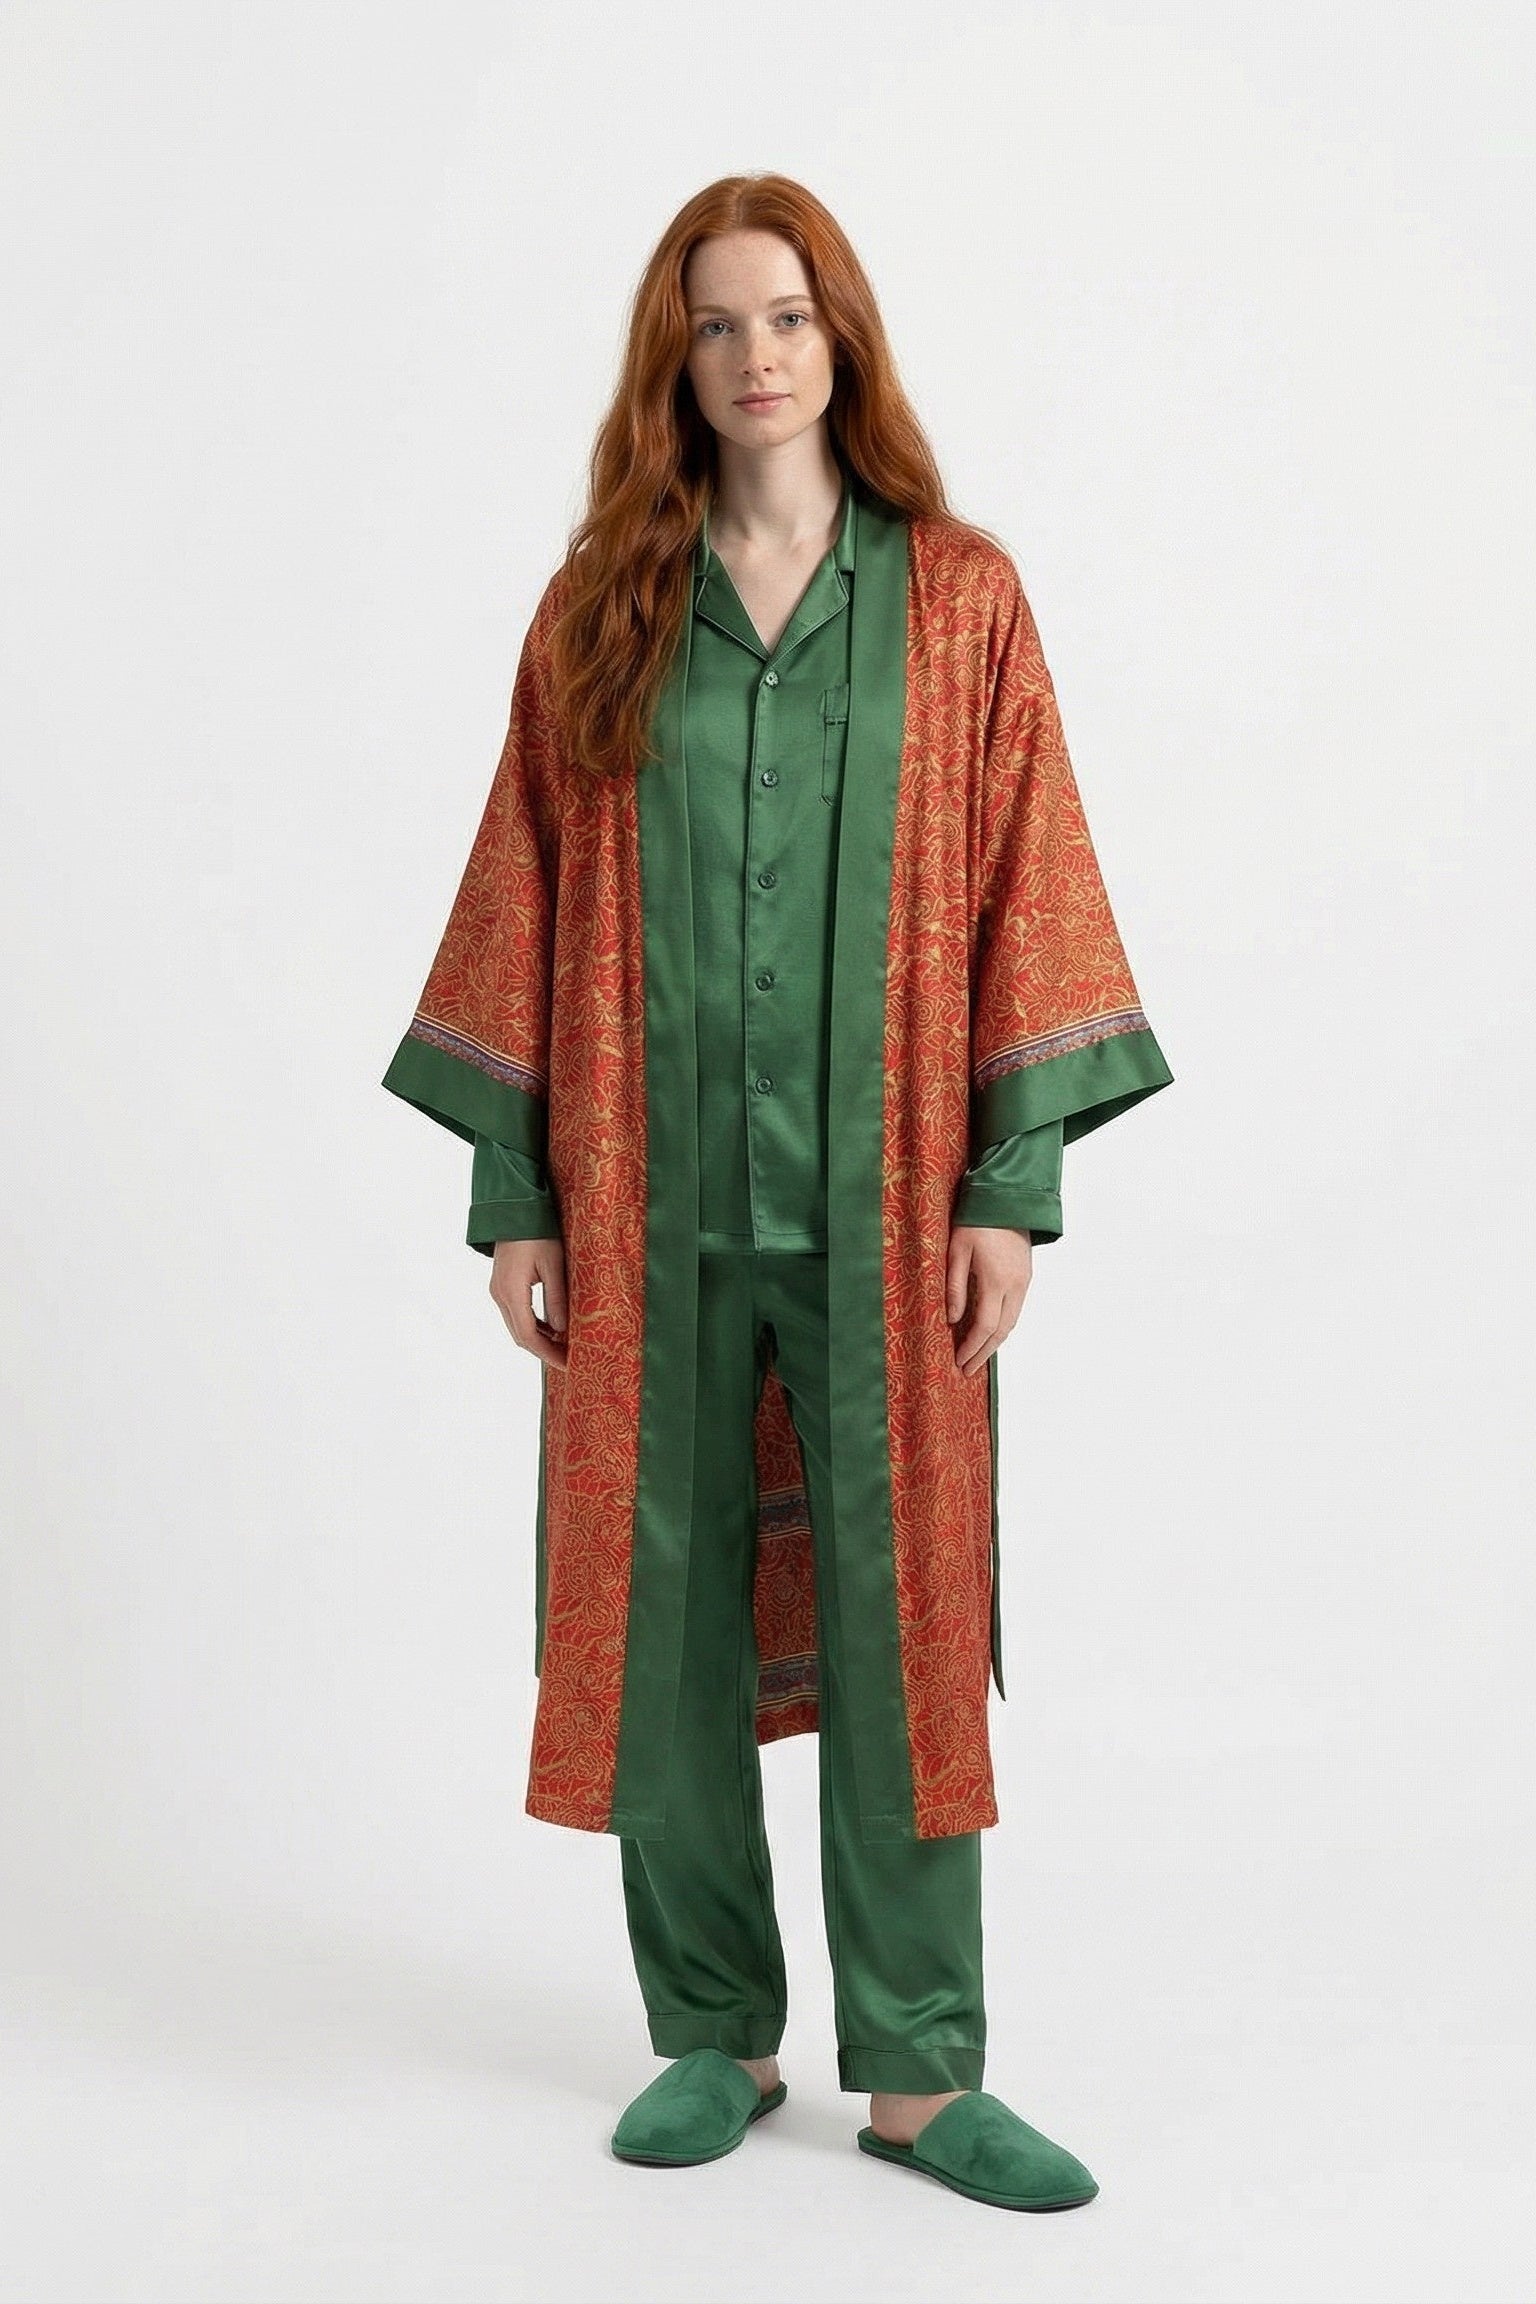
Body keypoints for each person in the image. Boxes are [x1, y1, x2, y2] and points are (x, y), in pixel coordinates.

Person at [382, 173, 1172, 2213]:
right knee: (666, 1622)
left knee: (906, 1618)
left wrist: (1008, 1182)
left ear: (845, 341)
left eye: (791, 317)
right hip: (642, 1205)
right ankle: (714, 2031)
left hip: (890, 1209)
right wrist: (518, 1191)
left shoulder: (961, 600)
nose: (757, 357)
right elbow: (522, 887)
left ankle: (918, 2073)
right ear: (678, 357)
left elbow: (1030, 877)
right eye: (718, 323)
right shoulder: (603, 606)